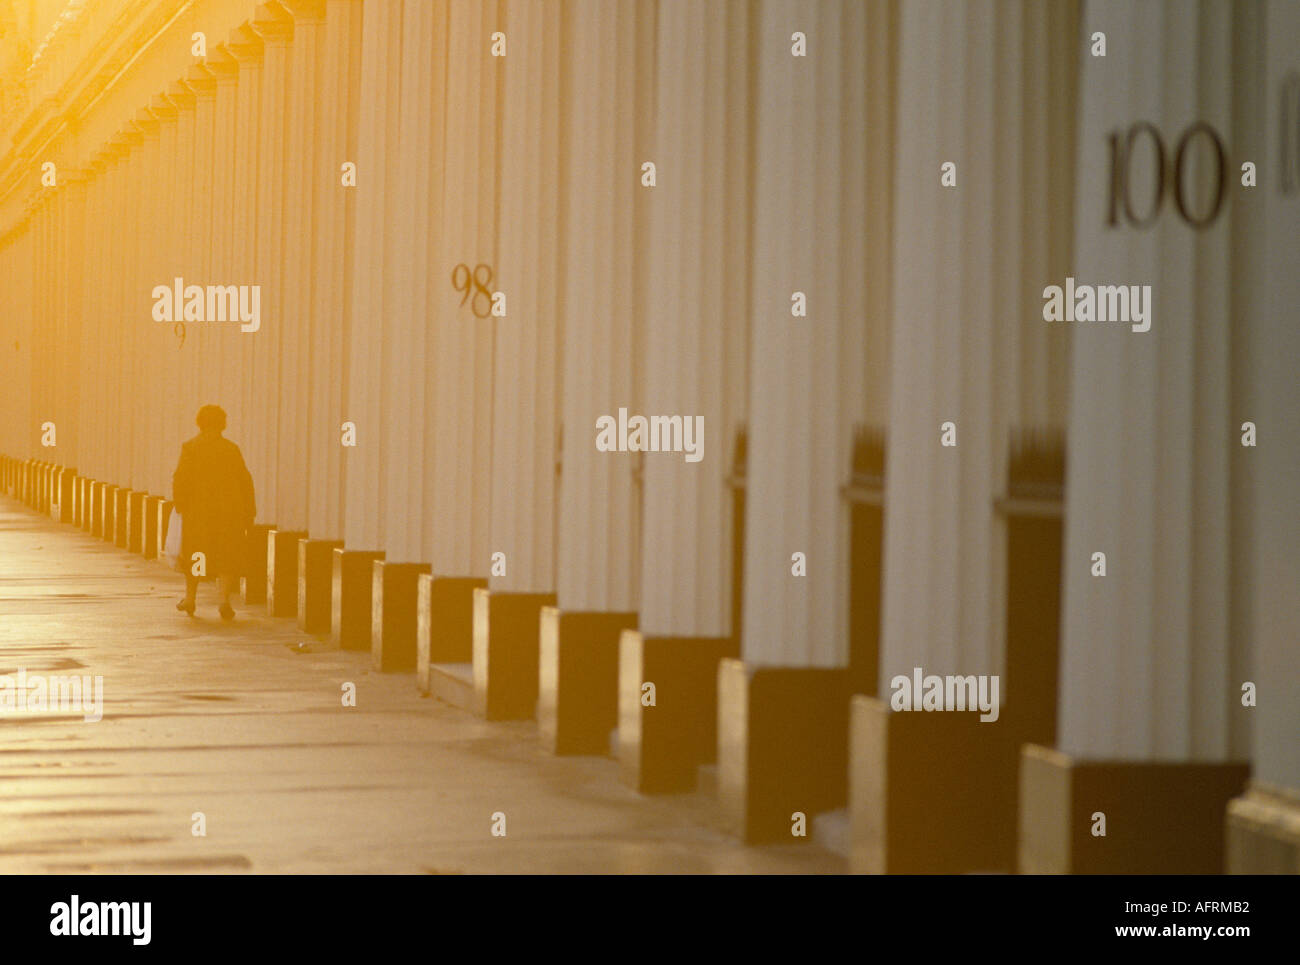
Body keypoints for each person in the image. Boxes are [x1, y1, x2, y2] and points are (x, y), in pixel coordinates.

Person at [171, 405, 256, 620]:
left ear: (199, 423)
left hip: (198, 513)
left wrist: (180, 505)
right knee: (226, 554)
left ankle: (191, 599)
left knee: (197, 554)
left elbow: (180, 478)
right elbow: (245, 481)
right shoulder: (231, 449)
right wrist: (249, 511)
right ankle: (223, 601)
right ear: (222, 424)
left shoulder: (190, 448)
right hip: (229, 512)